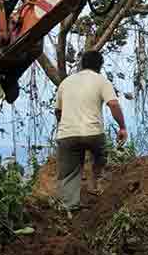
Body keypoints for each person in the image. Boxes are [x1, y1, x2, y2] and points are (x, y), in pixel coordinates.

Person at [54, 50, 127, 210]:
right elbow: (113, 104)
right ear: (100, 66)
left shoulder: (65, 82)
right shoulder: (101, 81)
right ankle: (95, 184)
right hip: (93, 133)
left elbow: (58, 111)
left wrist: (66, 125)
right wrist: (122, 127)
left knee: (69, 172)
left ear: (81, 64)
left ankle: (69, 206)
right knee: (100, 156)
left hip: (67, 134)